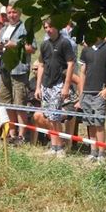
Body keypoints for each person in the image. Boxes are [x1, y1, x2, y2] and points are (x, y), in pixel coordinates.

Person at [0, 4, 37, 145]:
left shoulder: (25, 28)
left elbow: (32, 48)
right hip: (4, 70)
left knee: (19, 104)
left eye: (14, 12)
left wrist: (15, 45)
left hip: (19, 70)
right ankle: (11, 134)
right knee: (7, 104)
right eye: (9, 12)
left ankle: (22, 136)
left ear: (20, 13)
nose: (11, 15)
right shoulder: (3, 28)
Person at [35, 19, 76, 157]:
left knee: (56, 117)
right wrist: (38, 87)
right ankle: (54, 146)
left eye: (51, 26)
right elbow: (41, 65)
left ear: (57, 28)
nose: (48, 29)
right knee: (49, 117)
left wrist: (66, 86)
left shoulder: (65, 43)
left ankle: (60, 148)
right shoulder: (45, 45)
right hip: (46, 85)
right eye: (46, 27)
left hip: (58, 84)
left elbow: (71, 64)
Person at [78, 36, 106, 163]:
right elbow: (82, 72)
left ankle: (102, 153)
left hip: (100, 92)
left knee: (99, 123)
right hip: (86, 92)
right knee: (90, 123)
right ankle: (93, 152)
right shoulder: (86, 49)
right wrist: (81, 93)